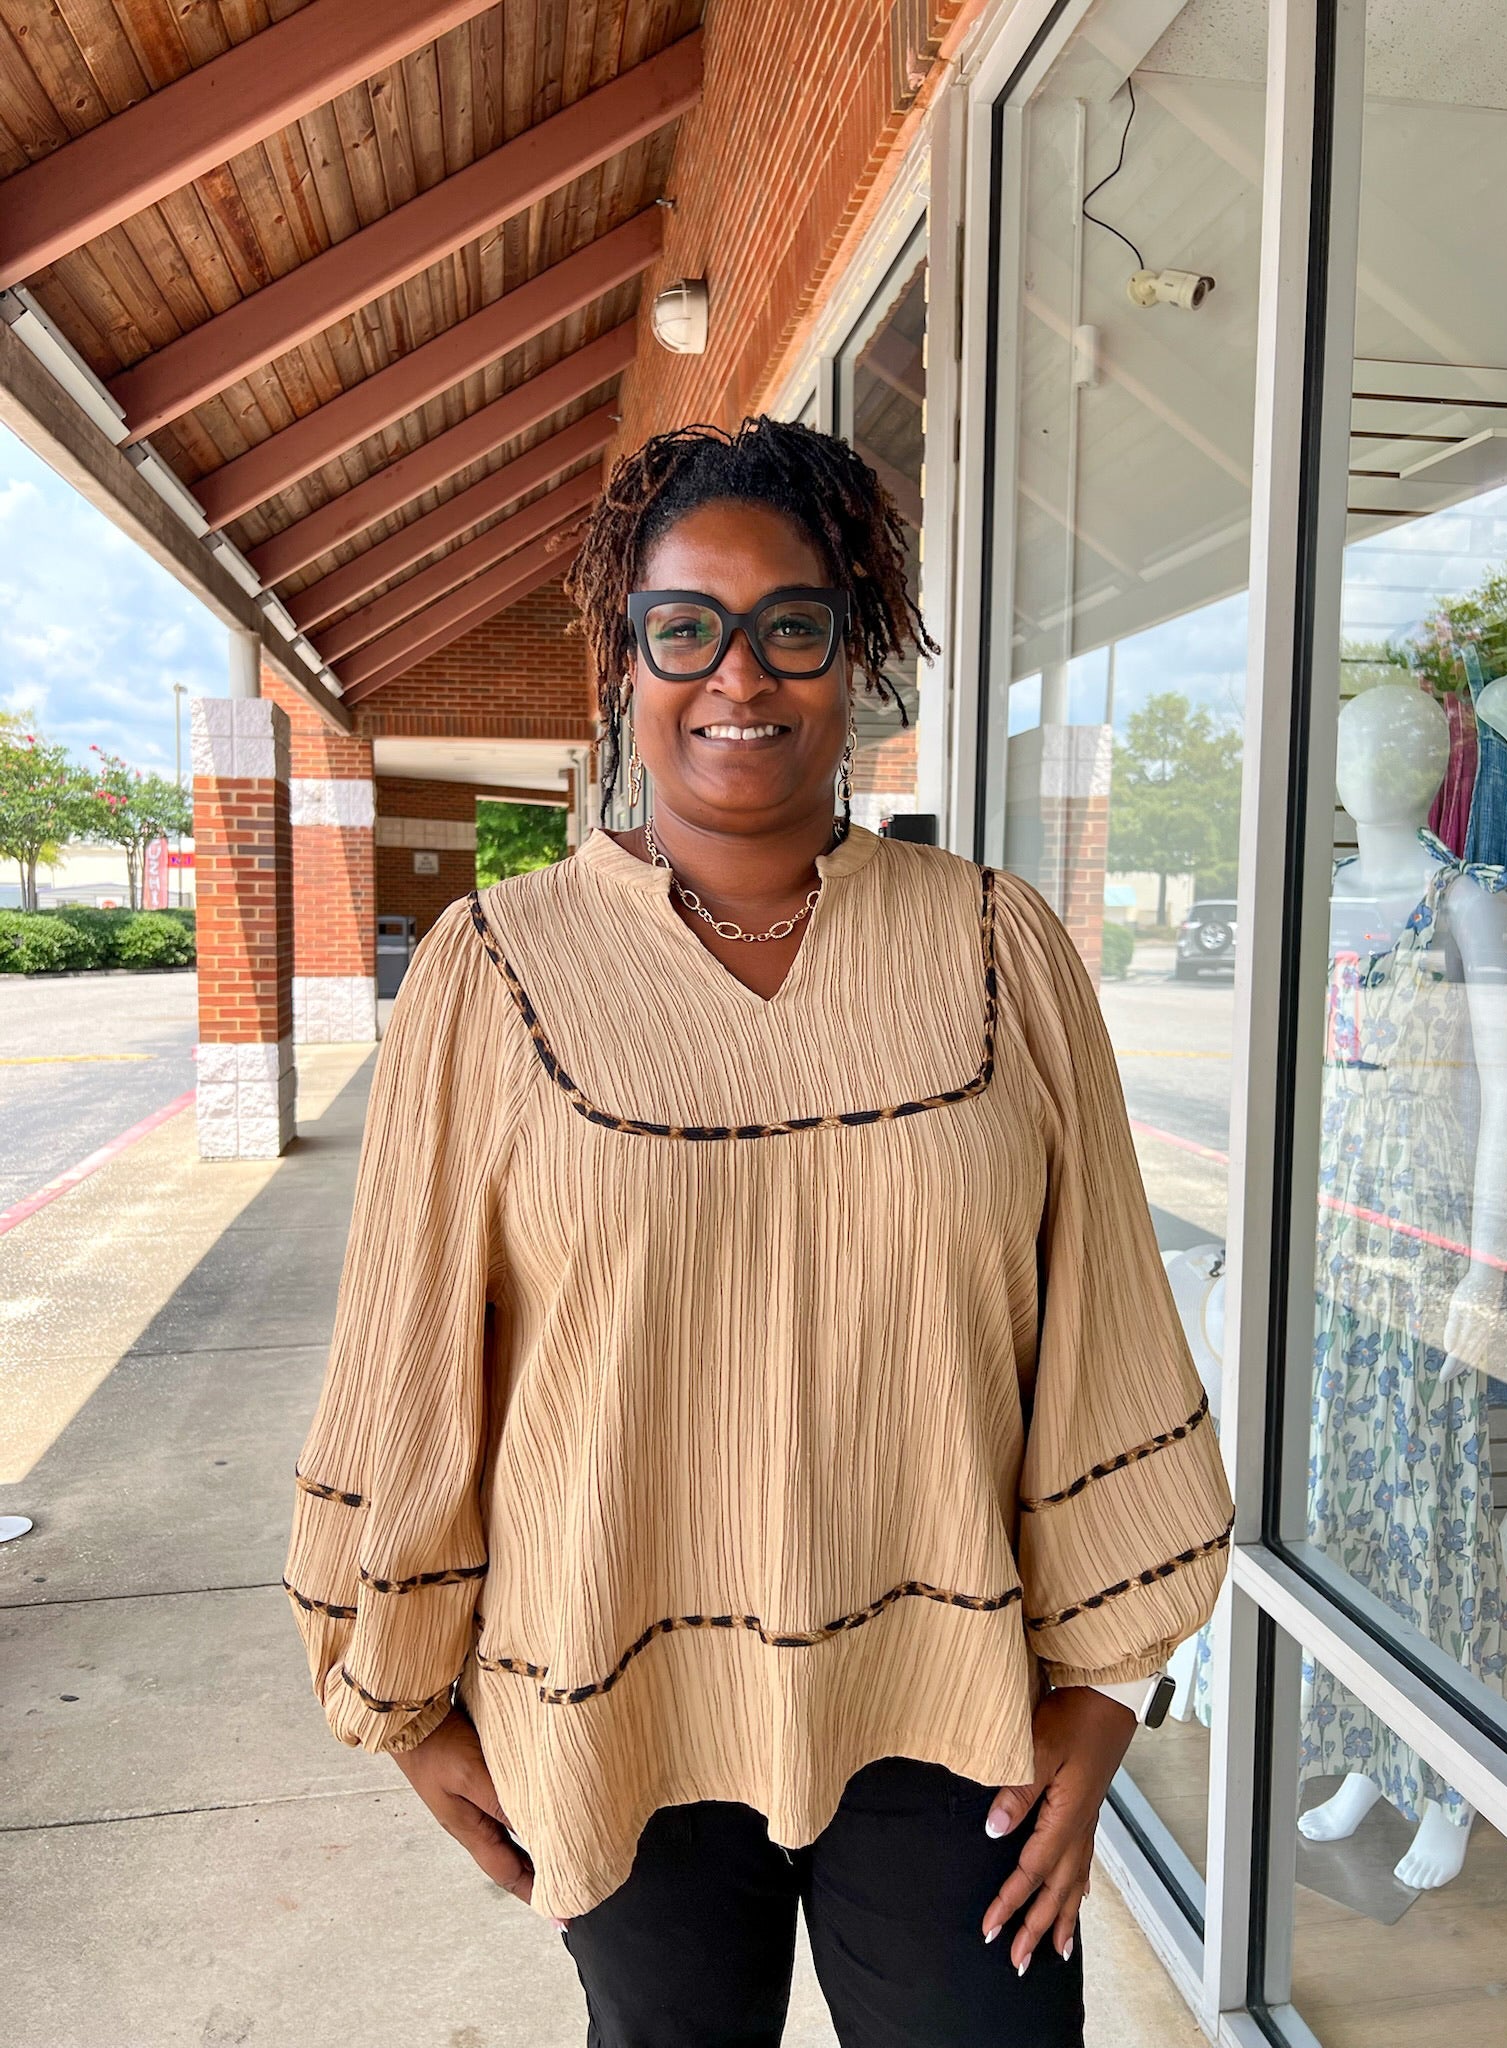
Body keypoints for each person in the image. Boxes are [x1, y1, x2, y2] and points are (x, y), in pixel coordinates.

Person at [283, 416, 1236, 2047]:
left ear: (853, 654)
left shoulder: (1001, 950)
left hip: (951, 1707)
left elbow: (1101, 1329)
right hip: (613, 1699)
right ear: (625, 659)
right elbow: (410, 1349)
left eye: (794, 625)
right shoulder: (494, 970)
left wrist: (1103, 1692)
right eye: (686, 629)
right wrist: (405, 1700)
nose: (740, 677)